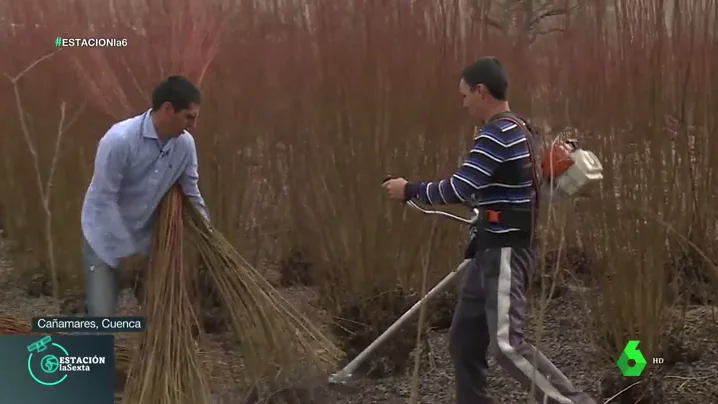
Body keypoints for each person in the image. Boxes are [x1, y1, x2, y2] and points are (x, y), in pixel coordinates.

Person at [382, 57, 595, 404]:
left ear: (481, 91)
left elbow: (457, 188)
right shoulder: (520, 128)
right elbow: (498, 188)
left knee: (508, 346)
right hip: (487, 250)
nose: (463, 103)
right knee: (465, 341)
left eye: (465, 95)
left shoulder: (498, 134)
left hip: (506, 249)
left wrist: (409, 190)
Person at [81, 75, 210, 317]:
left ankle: (154, 355)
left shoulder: (184, 146)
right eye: (189, 117)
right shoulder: (119, 140)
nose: (192, 125)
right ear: (168, 109)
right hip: (103, 241)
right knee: (101, 317)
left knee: (163, 316)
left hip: (145, 244)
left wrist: (208, 236)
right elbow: (103, 199)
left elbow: (192, 193)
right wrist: (127, 251)